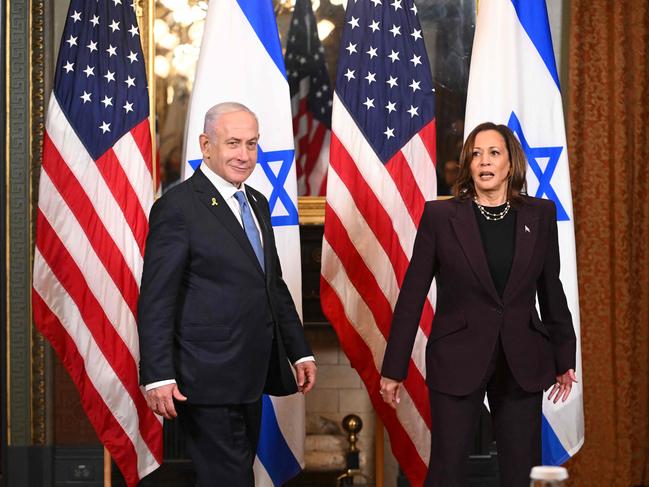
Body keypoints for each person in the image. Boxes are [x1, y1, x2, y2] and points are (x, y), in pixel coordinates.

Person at [379, 122, 577, 487]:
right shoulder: (441, 218)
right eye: (476, 153)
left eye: (494, 153)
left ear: (510, 163)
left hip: (522, 359)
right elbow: (411, 295)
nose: (484, 161)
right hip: (457, 357)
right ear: (468, 165)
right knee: (447, 471)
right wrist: (394, 367)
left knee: (522, 472)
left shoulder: (540, 214)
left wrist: (565, 357)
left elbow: (551, 289)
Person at [137, 102, 317, 486]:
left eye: (252, 144)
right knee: (228, 479)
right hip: (204, 378)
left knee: (236, 476)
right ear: (205, 144)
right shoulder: (177, 207)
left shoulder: (257, 202)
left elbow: (272, 285)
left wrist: (298, 349)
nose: (244, 155)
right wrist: (157, 375)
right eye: (233, 143)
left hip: (251, 372)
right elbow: (156, 298)